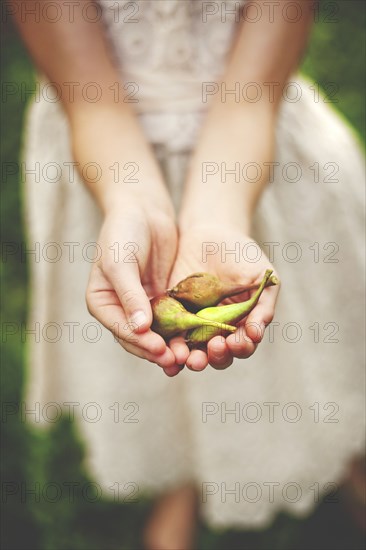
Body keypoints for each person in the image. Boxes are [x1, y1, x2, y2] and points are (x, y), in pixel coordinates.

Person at [12, 1, 364, 548]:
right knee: (158, 372)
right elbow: (92, 103)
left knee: (331, 364)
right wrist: (136, 205)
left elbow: (250, 98)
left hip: (261, 159)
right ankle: (181, 481)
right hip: (105, 170)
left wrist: (215, 217)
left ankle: (345, 450)